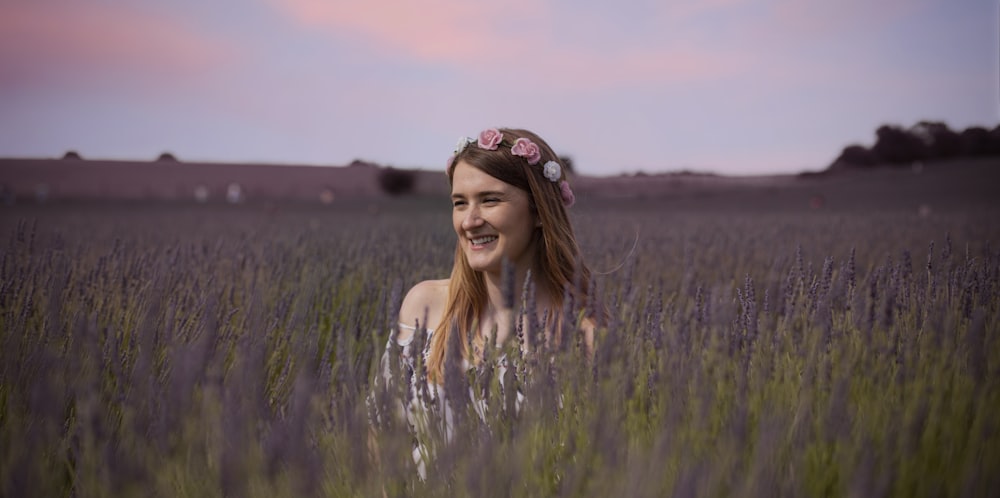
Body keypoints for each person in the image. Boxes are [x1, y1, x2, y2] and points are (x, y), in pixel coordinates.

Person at [394, 127, 598, 386]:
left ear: (539, 211)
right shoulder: (426, 307)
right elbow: (381, 423)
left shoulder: (584, 339)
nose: (469, 221)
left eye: (490, 200)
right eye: (460, 203)